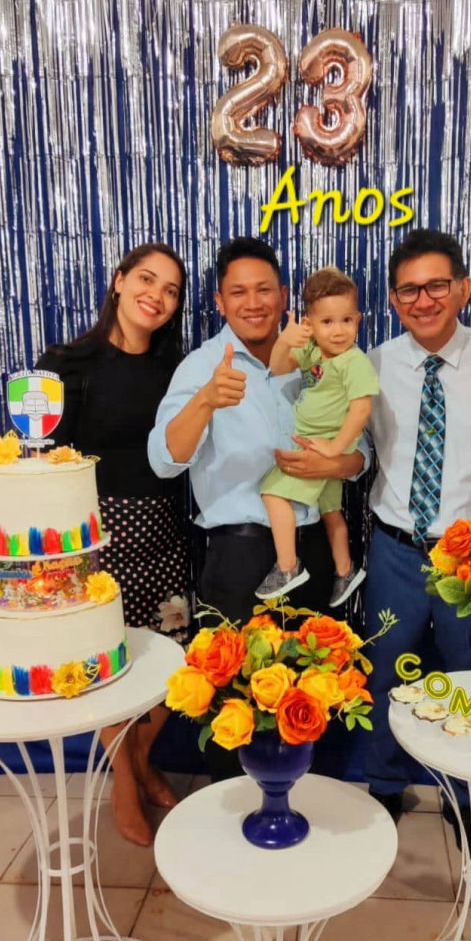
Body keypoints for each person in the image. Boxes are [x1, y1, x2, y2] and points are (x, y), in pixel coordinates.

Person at [148, 237, 367, 781]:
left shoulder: (321, 356)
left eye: (264, 289)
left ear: (284, 295)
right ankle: (236, 815)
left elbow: (362, 455)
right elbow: (164, 461)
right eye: (238, 292)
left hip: (314, 553)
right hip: (240, 560)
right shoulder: (203, 366)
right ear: (219, 302)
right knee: (237, 705)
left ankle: (305, 808)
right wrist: (205, 400)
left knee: (314, 697)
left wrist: (333, 464)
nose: (253, 302)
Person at [36, 242, 191, 848]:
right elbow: (48, 462)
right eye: (147, 280)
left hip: (165, 534)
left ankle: (141, 759)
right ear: (119, 281)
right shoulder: (66, 363)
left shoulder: (176, 369)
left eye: (171, 290)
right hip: (96, 541)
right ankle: (125, 783)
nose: (156, 296)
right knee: (108, 669)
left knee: (174, 665)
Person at [364, 228, 471, 823]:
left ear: (464, 289)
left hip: (470, 554)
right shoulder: (374, 363)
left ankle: (466, 790)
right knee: (384, 671)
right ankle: (382, 782)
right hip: (394, 549)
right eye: (408, 290)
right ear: (393, 299)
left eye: (436, 286)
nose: (423, 301)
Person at [257, 266, 379, 608]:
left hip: (322, 446)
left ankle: (287, 567)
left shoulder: (354, 362)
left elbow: (361, 409)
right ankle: (345, 570)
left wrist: (335, 448)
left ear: (358, 320)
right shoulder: (313, 351)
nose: (338, 331)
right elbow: (278, 367)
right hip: (321, 444)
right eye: (327, 322)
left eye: (346, 320)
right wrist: (285, 341)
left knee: (273, 493)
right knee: (331, 511)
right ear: (309, 323)